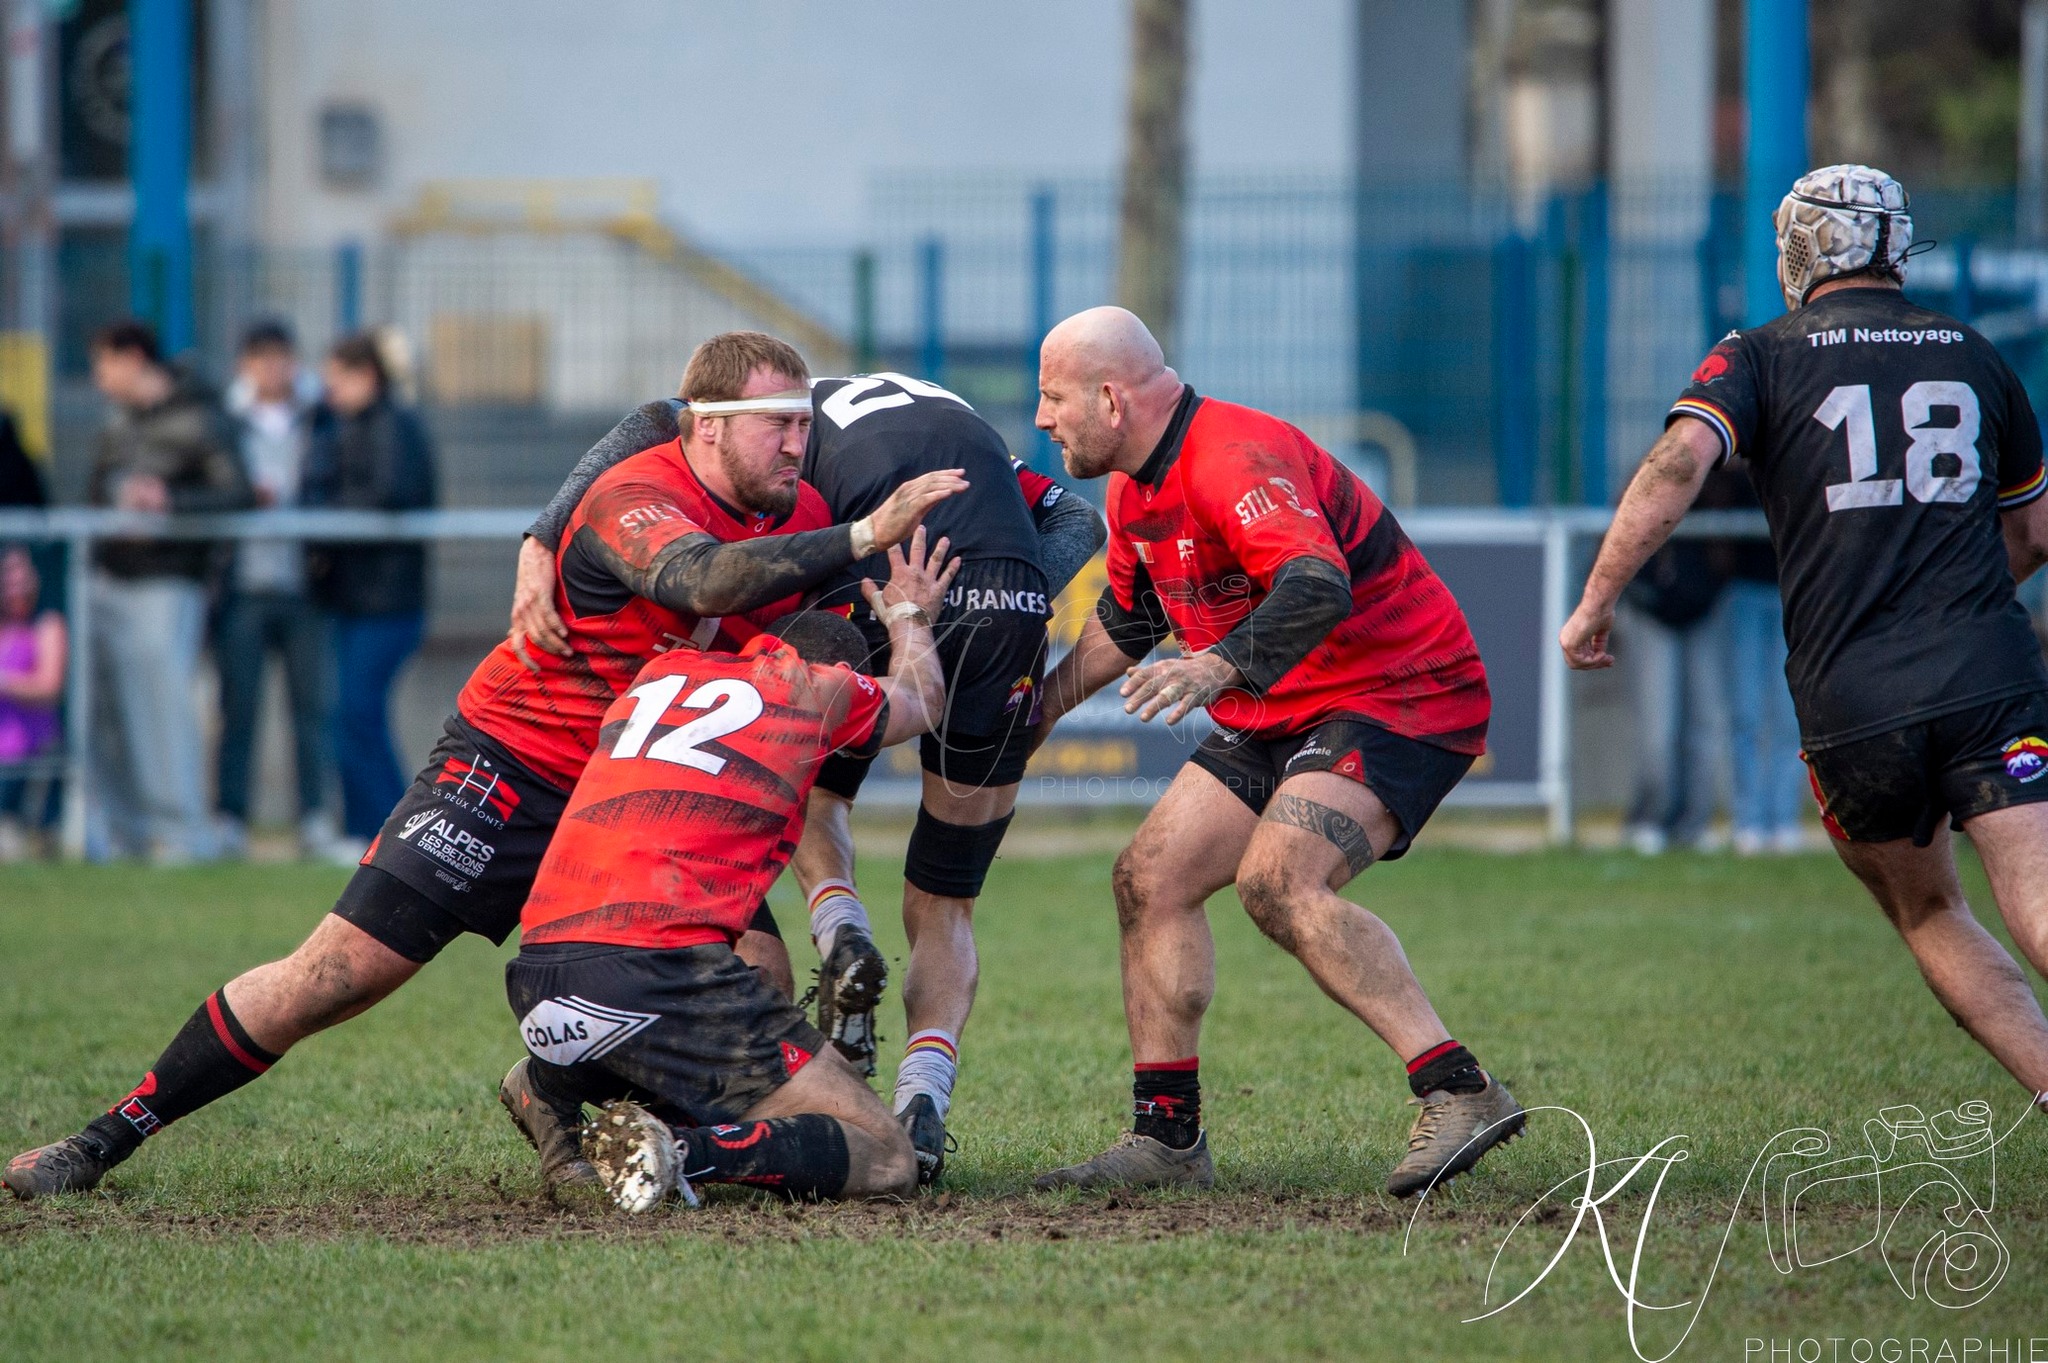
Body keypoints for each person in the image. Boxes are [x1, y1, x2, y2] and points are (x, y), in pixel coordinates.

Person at [2, 330, 963, 1200]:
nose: (800, 446)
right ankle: (102, 1139)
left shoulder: (790, 507)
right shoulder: (638, 495)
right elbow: (701, 578)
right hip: (513, 763)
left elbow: (833, 622)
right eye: (777, 427)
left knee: (749, 964)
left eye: (805, 425)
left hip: (631, 793)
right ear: (705, 428)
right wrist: (859, 534)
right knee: (334, 974)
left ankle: (583, 1109)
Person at [510, 371, 1107, 1183]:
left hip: (870, 590)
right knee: (947, 898)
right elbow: (1077, 517)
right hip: (1005, 595)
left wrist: (542, 534)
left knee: (816, 782)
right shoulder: (954, 433)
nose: (787, 442)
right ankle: (923, 1094)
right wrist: (984, 592)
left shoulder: (766, 439)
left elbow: (650, 421)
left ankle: (839, 928)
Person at [1559, 164, 2048, 1110]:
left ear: (1803, 249)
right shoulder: (1976, 354)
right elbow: (2031, 534)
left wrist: (1597, 600)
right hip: (1988, 667)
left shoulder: (1757, 354)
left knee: (1931, 907)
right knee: (2034, 894)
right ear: (1894, 244)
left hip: (1852, 693)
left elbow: (1676, 463)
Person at [1024, 306, 1522, 1198]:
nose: (1040, 417)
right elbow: (1130, 620)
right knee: (1149, 877)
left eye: (1052, 396)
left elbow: (1316, 582)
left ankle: (1461, 1091)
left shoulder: (1232, 455)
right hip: (1281, 707)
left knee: (1278, 880)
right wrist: (1039, 711)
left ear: (1108, 398)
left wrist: (1219, 664)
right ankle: (1167, 1141)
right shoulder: (1133, 485)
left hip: (1401, 693)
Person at [511, 533, 954, 1211]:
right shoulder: (814, 688)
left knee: (756, 980)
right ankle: (680, 1152)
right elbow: (921, 697)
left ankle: (548, 1082)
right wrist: (909, 614)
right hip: (654, 971)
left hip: (540, 968)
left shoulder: (660, 675)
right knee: (886, 1152)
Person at [84, 320, 252, 864]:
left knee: (163, 710)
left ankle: (184, 834)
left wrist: (169, 503)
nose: (99, 377)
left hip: (166, 584)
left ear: (133, 358)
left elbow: (236, 494)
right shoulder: (117, 422)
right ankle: (128, 832)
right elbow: (92, 491)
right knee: (106, 713)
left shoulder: (201, 415)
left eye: (104, 363)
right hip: (108, 578)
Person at [303, 333, 437, 857]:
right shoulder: (344, 425)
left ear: (366, 376)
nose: (328, 390)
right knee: (349, 717)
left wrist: (323, 513)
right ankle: (368, 831)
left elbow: (390, 494)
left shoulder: (393, 427)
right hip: (357, 600)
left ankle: (393, 831)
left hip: (387, 602)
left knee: (357, 713)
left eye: (336, 378)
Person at [215, 320, 330, 859]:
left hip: (303, 586)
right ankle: (231, 816)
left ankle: (313, 816)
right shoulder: (227, 421)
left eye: (280, 358)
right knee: (239, 706)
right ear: (245, 365)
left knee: (310, 708)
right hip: (243, 586)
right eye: (260, 358)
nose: (271, 369)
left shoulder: (319, 418)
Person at [1703, 464, 1809, 855]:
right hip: (1743, 594)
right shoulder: (1733, 467)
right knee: (1744, 713)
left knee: (1788, 715)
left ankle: (1784, 818)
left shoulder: (1797, 458)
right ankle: (1747, 819)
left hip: (1791, 595)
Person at [1616, 529, 1727, 854]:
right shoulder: (1644, 484)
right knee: (1658, 727)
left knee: (1705, 725)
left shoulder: (1716, 487)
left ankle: (1693, 823)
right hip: (1654, 613)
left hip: (1702, 610)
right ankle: (1648, 819)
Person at [0, 545, 65, 861]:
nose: (18, 583)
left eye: (23, 573)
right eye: (9, 574)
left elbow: (49, 684)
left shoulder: (46, 625)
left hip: (30, 755)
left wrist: (5, 681)